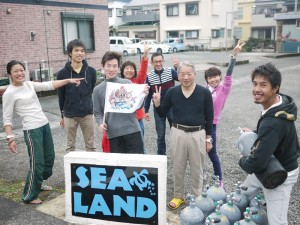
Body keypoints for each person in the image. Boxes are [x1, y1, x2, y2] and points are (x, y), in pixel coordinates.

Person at [3, 60, 83, 205]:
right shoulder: (9, 93)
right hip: (31, 130)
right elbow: (7, 119)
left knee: (49, 158)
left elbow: (49, 85)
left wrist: (68, 80)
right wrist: (10, 138)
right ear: (10, 74)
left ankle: (38, 183)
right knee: (37, 163)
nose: (20, 73)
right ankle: (29, 195)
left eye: (21, 70)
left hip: (44, 125)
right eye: (16, 71)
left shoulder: (29, 85)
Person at [238, 63, 300, 224]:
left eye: (263, 85)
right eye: (255, 84)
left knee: (277, 220)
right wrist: (255, 134)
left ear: (275, 88)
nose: (257, 89)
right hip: (272, 161)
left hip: (280, 173)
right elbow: (272, 135)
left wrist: (242, 159)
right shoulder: (281, 103)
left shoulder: (272, 122)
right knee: (244, 192)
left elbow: (256, 163)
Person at [152, 61, 214, 209]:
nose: (186, 77)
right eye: (182, 74)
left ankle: (196, 196)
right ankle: (178, 196)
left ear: (195, 75)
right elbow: (162, 113)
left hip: (198, 133)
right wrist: (157, 103)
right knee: (178, 166)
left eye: (189, 74)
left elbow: (209, 116)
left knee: (197, 167)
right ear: (178, 76)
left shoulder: (204, 92)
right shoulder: (172, 92)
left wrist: (209, 138)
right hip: (178, 132)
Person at [204, 40, 244, 187]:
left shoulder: (223, 89)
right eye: (210, 77)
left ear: (219, 78)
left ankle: (219, 180)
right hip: (198, 125)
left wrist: (233, 56)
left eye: (216, 76)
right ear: (207, 80)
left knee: (212, 153)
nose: (213, 79)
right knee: (197, 152)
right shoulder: (204, 90)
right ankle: (200, 174)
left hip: (211, 125)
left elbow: (228, 75)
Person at [93, 51, 149, 154]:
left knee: (135, 166)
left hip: (133, 130)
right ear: (102, 66)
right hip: (113, 134)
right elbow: (97, 112)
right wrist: (100, 123)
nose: (111, 69)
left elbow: (137, 106)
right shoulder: (97, 90)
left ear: (118, 67)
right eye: (108, 66)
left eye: (114, 66)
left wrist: (143, 96)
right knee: (119, 168)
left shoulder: (127, 83)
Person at [57, 39, 97, 152]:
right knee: (70, 146)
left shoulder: (91, 72)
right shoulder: (62, 74)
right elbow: (61, 95)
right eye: (76, 50)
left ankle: (91, 168)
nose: (80, 53)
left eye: (82, 50)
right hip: (70, 115)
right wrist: (62, 115)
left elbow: (91, 90)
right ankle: (70, 169)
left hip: (87, 114)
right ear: (70, 53)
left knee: (91, 145)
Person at [144, 53, 179, 155]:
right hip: (158, 107)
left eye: (160, 61)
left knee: (176, 132)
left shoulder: (170, 71)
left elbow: (181, 79)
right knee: (160, 134)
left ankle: (178, 154)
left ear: (163, 61)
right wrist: (146, 110)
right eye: (156, 62)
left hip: (172, 107)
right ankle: (161, 156)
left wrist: (177, 68)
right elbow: (149, 94)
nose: (158, 64)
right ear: (152, 63)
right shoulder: (149, 76)